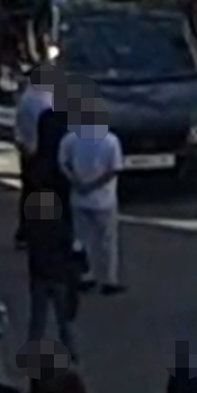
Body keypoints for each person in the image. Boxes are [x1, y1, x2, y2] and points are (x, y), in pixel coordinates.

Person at [59, 98, 124, 295]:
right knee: (107, 240)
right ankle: (109, 279)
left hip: (78, 197)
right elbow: (114, 169)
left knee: (81, 238)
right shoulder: (110, 141)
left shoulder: (71, 139)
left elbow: (63, 164)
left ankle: (86, 275)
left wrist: (76, 182)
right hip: (104, 199)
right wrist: (94, 185)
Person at [22, 190, 80, 360]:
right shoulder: (63, 228)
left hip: (39, 276)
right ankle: (71, 351)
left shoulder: (33, 228)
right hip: (59, 276)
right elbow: (73, 251)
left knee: (38, 318)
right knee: (64, 319)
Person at [15, 68, 59, 246]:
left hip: (27, 150)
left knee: (29, 192)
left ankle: (25, 231)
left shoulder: (26, 98)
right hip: (42, 152)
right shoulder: (44, 102)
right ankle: (39, 231)